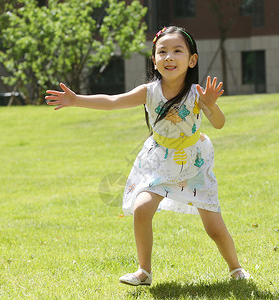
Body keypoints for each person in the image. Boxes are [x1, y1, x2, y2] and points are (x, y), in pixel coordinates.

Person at [45, 26, 251, 286]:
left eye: (177, 51)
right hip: (159, 162)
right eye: (162, 51)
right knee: (142, 209)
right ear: (154, 60)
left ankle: (236, 268)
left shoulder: (197, 93)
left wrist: (211, 105)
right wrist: (77, 100)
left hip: (193, 164)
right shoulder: (148, 92)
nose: (169, 57)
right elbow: (112, 101)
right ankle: (144, 271)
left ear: (192, 60)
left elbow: (219, 124)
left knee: (214, 228)